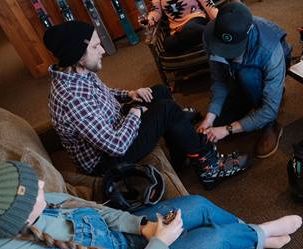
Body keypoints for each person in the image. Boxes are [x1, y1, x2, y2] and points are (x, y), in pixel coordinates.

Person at [0, 162, 303, 249]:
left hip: (129, 241)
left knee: (194, 204)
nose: (43, 183)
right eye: (35, 190)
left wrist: (144, 226)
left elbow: (102, 213)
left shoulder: (41, 204)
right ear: (22, 216)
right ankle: (259, 235)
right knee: (213, 239)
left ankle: (252, 238)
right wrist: (158, 245)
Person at [43, 21, 249, 189]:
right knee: (167, 110)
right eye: (96, 46)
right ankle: (209, 169)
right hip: (107, 160)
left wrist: (131, 94)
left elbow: (104, 94)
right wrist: (135, 112)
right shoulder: (72, 98)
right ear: (78, 56)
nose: (103, 50)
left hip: (114, 125)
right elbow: (116, 146)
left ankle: (181, 156)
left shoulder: (77, 72)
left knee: (158, 92)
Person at [197, 2, 292, 159]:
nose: (226, 55)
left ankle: (271, 124)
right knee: (218, 122)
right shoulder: (210, 36)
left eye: (231, 51)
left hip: (262, 69)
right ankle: (248, 96)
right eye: (222, 49)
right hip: (238, 73)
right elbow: (219, 80)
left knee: (249, 77)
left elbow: (269, 109)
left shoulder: (270, 51)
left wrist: (227, 129)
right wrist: (210, 116)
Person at [142, 0, 218, 54]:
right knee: (168, 44)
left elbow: (207, 3)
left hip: (195, 20)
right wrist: (149, 20)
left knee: (190, 29)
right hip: (177, 30)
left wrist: (219, 19)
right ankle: (205, 37)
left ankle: (216, 34)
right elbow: (156, 11)